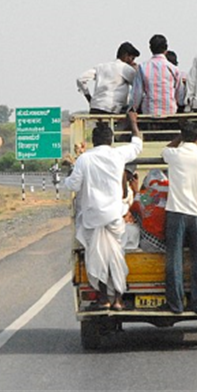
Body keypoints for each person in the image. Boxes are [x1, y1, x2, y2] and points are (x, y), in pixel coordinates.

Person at [63, 111, 143, 310]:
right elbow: (137, 145)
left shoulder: (84, 159)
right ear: (111, 140)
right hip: (115, 216)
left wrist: (66, 176)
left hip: (92, 218)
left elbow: (73, 185)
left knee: (96, 256)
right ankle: (117, 299)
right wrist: (133, 123)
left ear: (93, 141)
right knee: (115, 255)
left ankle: (102, 298)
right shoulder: (118, 154)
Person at [159, 120, 197, 314]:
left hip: (176, 211)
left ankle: (176, 304)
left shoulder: (174, 154)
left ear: (182, 135)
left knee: (174, 258)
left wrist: (179, 138)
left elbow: (165, 150)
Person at [76, 42, 141, 114]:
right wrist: (136, 70)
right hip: (112, 109)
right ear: (126, 56)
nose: (133, 61)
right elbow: (138, 86)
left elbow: (80, 79)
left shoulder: (101, 67)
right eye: (132, 58)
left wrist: (89, 99)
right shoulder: (125, 68)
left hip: (95, 108)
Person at [131, 34, 183, 116]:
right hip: (170, 111)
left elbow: (137, 93)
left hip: (149, 111)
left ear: (150, 49)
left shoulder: (142, 67)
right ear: (166, 48)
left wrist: (133, 108)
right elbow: (180, 94)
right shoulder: (173, 68)